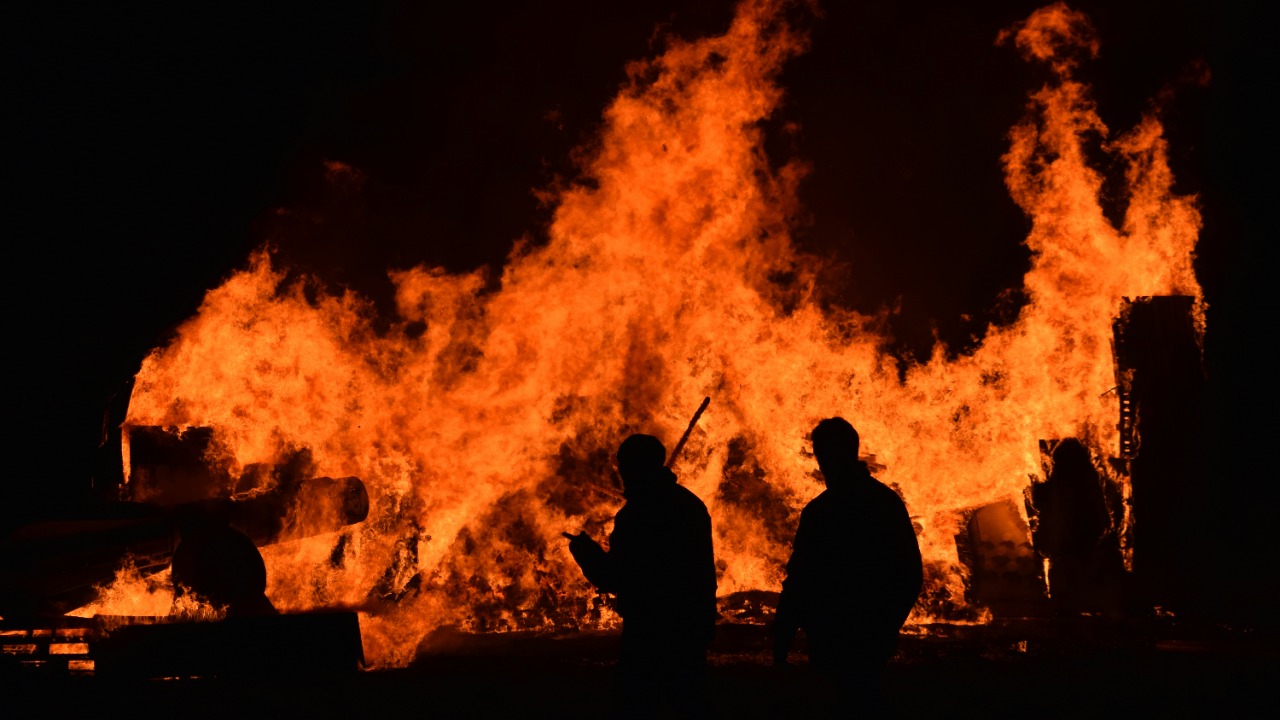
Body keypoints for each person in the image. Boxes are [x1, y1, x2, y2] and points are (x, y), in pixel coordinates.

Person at [772, 417, 923, 714]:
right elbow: (909, 572)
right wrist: (888, 624)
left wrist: (783, 638)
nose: (824, 460)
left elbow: (800, 580)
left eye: (824, 453)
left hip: (836, 633)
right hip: (869, 631)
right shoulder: (885, 502)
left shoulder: (822, 511)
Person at [566, 433, 718, 719]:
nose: (622, 473)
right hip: (690, 622)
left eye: (625, 466)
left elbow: (618, 576)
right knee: (693, 703)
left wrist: (585, 552)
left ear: (635, 467)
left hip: (650, 627)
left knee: (634, 704)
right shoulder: (689, 504)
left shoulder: (638, 514)